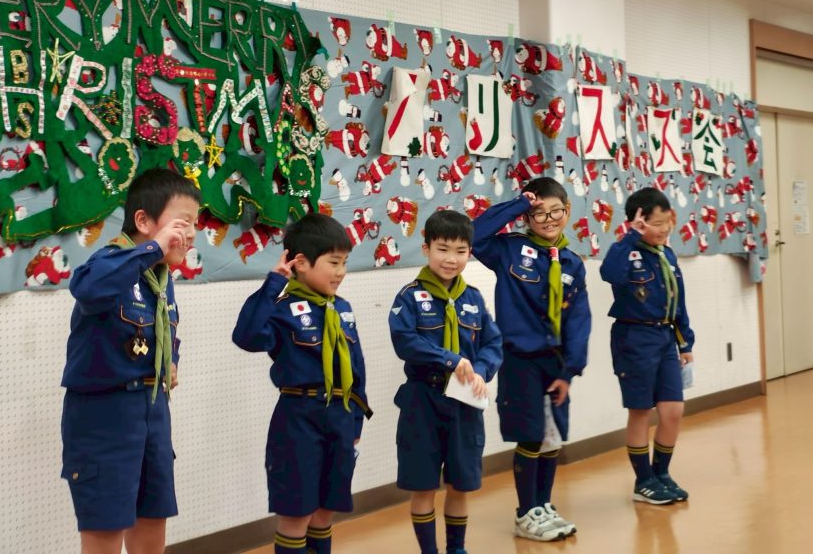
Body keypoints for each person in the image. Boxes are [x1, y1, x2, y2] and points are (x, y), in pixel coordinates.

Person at [60, 168, 200, 554]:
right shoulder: (111, 262)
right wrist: (152, 249)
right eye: (183, 223)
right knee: (105, 536)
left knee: (152, 526)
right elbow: (86, 288)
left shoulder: (161, 278)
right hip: (105, 420)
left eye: (195, 224)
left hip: (152, 413)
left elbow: (166, 330)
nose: (191, 234)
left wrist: (171, 360)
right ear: (143, 220)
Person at [233, 213, 371, 554]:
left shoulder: (342, 308)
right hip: (299, 418)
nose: (341, 271)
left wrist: (356, 421)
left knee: (324, 513)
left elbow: (356, 368)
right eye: (333, 262)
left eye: (345, 262)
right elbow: (247, 336)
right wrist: (274, 283)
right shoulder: (282, 308)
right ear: (301, 262)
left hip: (339, 417)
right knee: (296, 514)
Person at [471, 177, 591, 541]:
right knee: (530, 435)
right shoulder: (509, 249)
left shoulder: (571, 262)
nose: (549, 219)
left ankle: (543, 504)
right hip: (520, 358)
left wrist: (570, 369)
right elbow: (475, 235)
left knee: (552, 437)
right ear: (527, 217)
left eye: (556, 211)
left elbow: (579, 319)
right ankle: (526, 513)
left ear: (567, 211)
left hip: (555, 362)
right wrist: (519, 204)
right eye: (539, 213)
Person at [389, 209, 503, 554]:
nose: (451, 259)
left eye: (460, 251)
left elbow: (493, 342)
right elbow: (405, 341)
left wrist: (480, 370)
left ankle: (457, 549)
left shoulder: (473, 298)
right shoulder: (409, 296)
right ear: (426, 248)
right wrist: (451, 360)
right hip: (423, 401)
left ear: (469, 252)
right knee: (423, 485)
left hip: (464, 404)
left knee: (460, 483)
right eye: (442, 249)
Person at [600, 187, 695, 506]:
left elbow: (677, 300)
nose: (664, 228)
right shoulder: (626, 251)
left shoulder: (666, 254)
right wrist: (631, 237)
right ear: (638, 222)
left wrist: (685, 341)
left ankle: (660, 474)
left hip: (665, 338)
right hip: (634, 339)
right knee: (641, 411)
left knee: (673, 410)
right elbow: (609, 273)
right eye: (656, 223)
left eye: (667, 221)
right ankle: (643, 481)